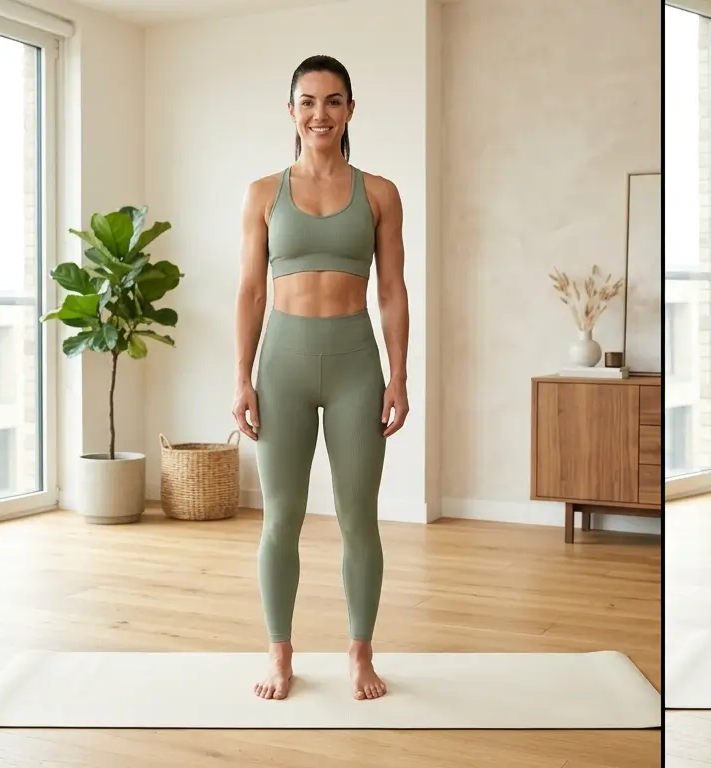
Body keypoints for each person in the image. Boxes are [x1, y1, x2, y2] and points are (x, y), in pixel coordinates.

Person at [232, 54, 410, 701]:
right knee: (279, 517)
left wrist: (399, 376)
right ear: (291, 112)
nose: (320, 114)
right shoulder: (262, 193)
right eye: (308, 102)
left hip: (356, 366)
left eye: (333, 101)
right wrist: (242, 378)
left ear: (350, 110)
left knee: (359, 517)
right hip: (281, 365)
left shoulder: (381, 193)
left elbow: (391, 291)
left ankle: (359, 655)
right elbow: (251, 292)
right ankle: (280, 656)